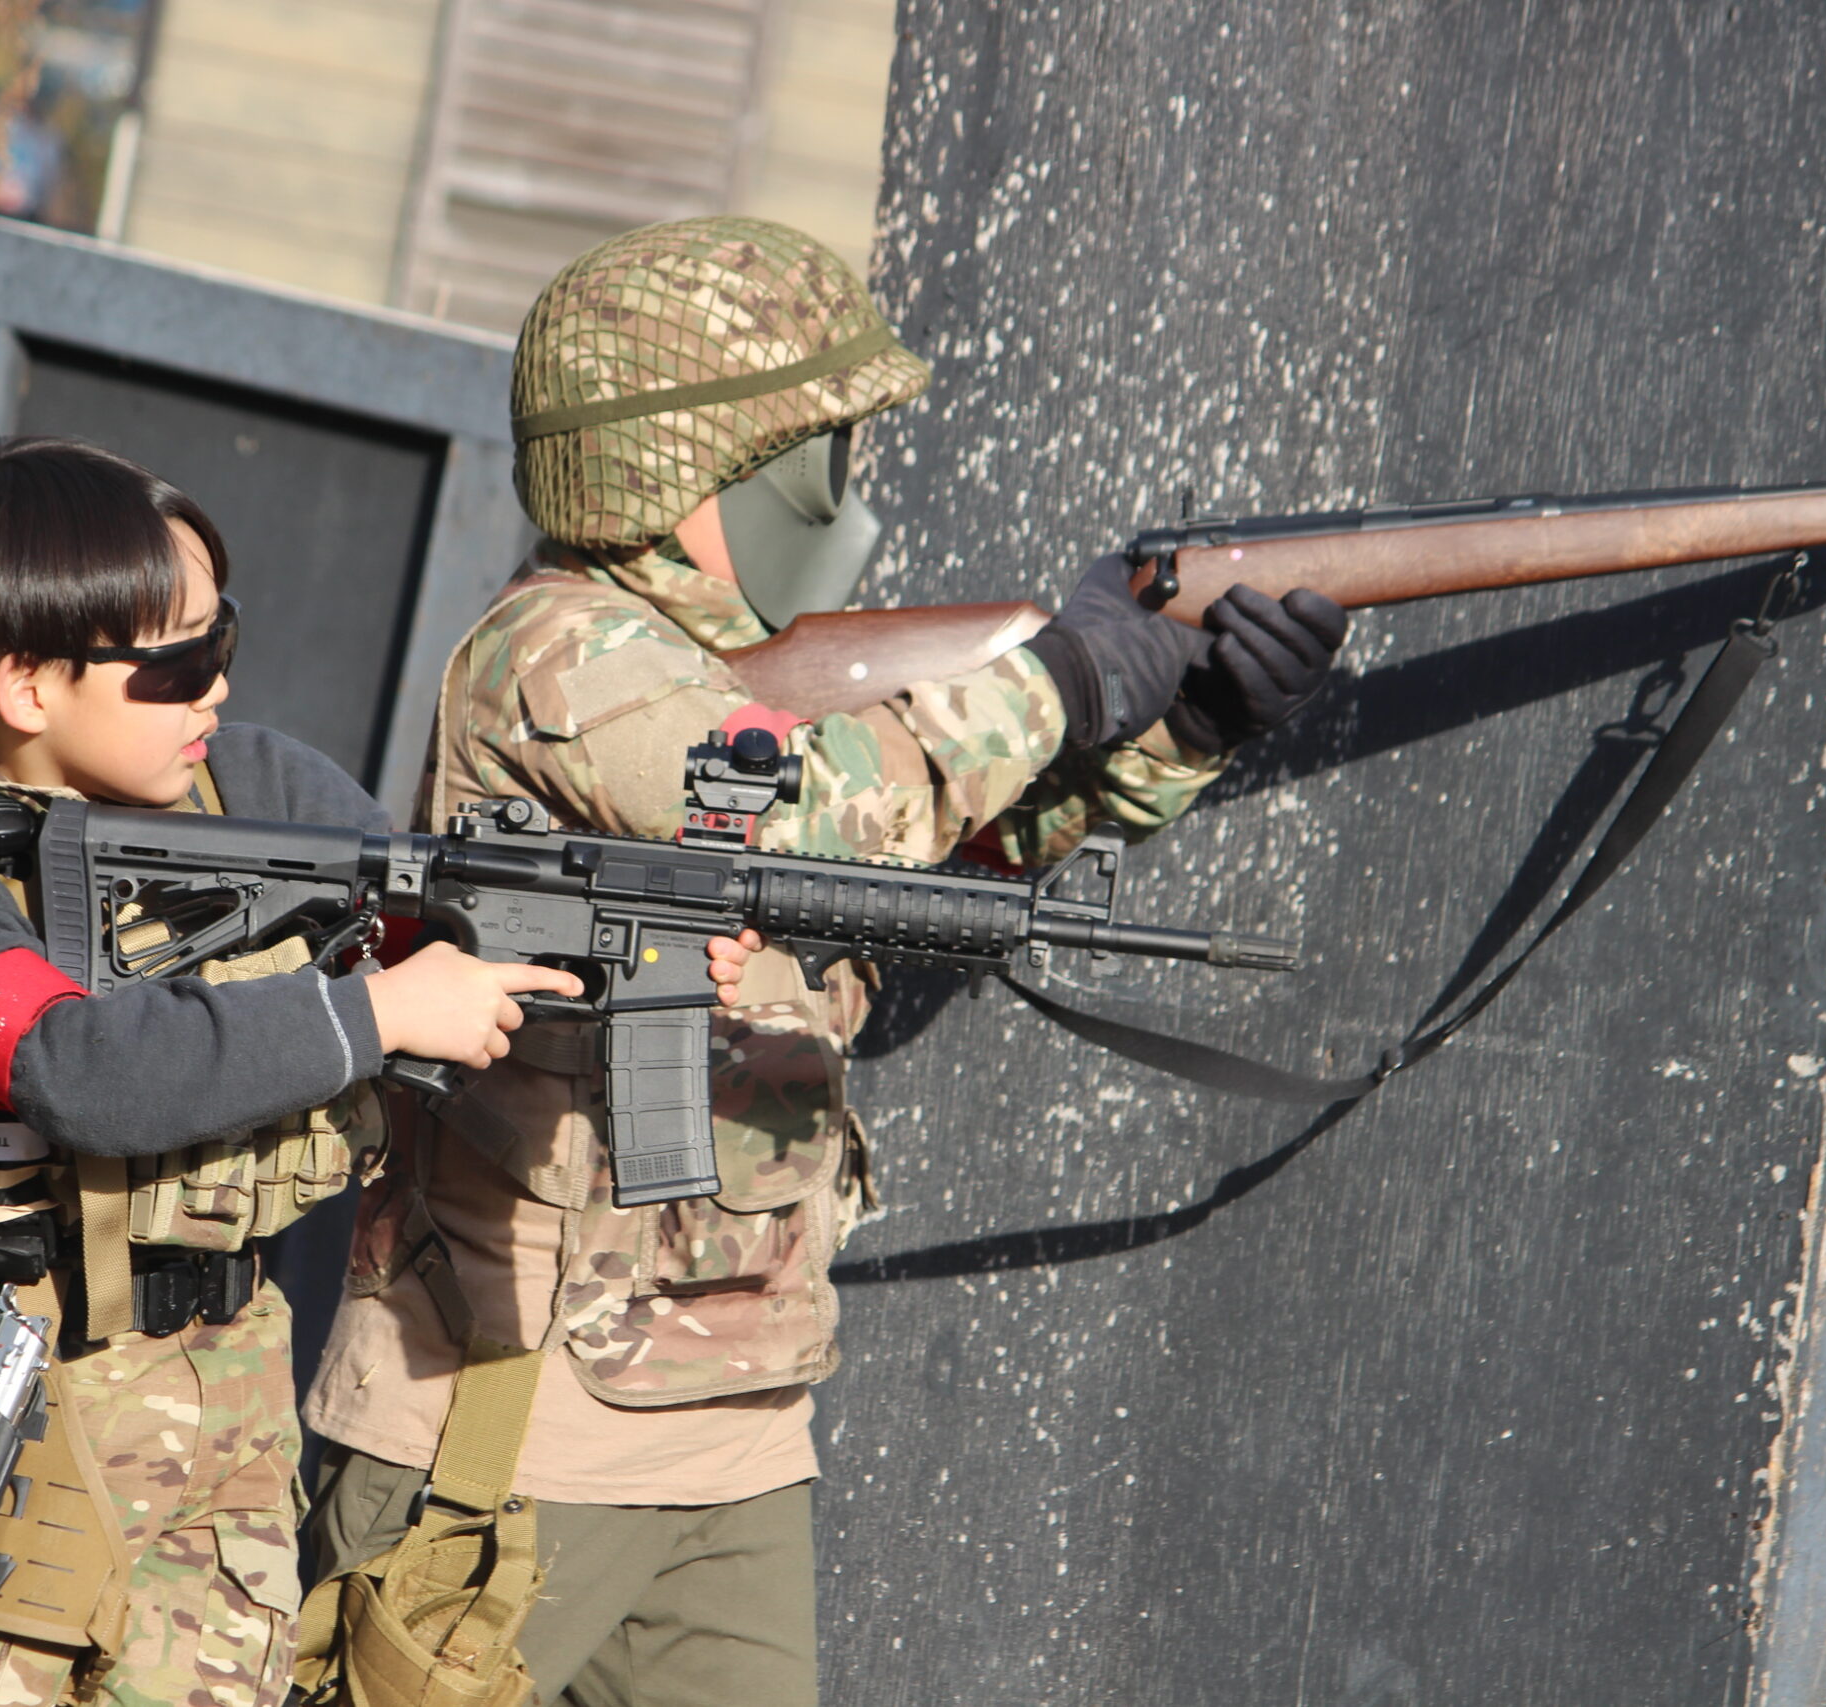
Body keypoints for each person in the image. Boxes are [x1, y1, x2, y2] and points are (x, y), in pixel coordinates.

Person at [298, 218, 1349, 1705]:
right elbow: (820, 816)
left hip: (733, 1403)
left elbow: (942, 862)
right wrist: (1061, 678)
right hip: (507, 1409)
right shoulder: (557, 653)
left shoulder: (753, 676)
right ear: (699, 467)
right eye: (824, 454)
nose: (848, 491)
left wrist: (1183, 727)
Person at [0, 436, 752, 1707]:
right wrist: (378, 1012)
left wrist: (627, 951)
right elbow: (80, 1069)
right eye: (175, 663)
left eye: (223, 639)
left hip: (232, 1421)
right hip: (18, 1430)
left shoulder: (249, 786)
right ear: (26, 685)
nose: (216, 686)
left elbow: (440, 929)